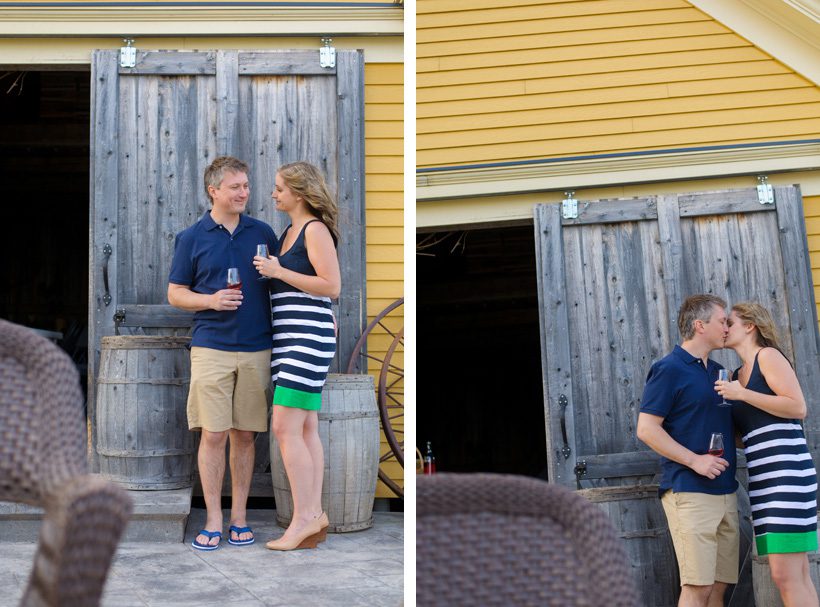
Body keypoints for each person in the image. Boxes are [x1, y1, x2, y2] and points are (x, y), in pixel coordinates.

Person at [167, 156, 278, 551]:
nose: (244, 192)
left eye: (246, 185)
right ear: (213, 190)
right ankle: (213, 518)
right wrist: (211, 301)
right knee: (213, 434)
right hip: (211, 346)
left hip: (257, 347)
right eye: (235, 187)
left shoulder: (262, 232)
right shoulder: (192, 237)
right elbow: (175, 293)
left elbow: (282, 283)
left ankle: (240, 517)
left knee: (245, 434)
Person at [254, 161, 340, 551]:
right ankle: (315, 514)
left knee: (285, 428)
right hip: (290, 341)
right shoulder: (286, 233)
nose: (274, 194)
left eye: (279, 189)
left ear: (299, 194)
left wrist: (278, 272)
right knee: (305, 429)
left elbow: (331, 286)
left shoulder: (314, 230)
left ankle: (304, 518)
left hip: (308, 340)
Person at [637, 294, 738, 607]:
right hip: (690, 489)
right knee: (698, 588)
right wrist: (695, 460)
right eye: (722, 321)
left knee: (719, 587)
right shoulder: (668, 369)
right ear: (699, 325)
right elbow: (646, 429)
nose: (728, 327)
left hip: (726, 491)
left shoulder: (719, 371)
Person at [716, 302, 818, 607]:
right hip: (763, 481)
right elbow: (749, 435)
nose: (724, 328)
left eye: (729, 323)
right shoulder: (735, 374)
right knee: (795, 574)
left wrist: (741, 393)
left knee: (786, 575)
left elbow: (797, 407)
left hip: (788, 473)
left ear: (750, 326)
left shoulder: (767, 357)